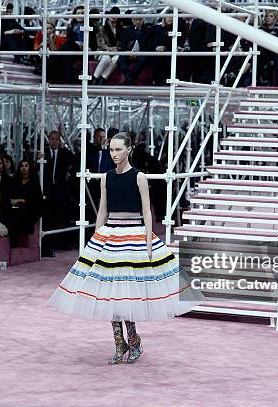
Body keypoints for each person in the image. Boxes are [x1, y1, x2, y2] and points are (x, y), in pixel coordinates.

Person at [48, 132, 200, 365]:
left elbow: (148, 211)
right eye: (111, 149)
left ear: (128, 150)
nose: (114, 153)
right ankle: (121, 344)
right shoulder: (106, 178)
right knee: (111, 295)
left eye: (118, 149)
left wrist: (149, 240)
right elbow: (102, 211)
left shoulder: (139, 177)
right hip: (110, 236)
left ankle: (132, 340)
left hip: (134, 236)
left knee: (127, 294)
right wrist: (96, 240)